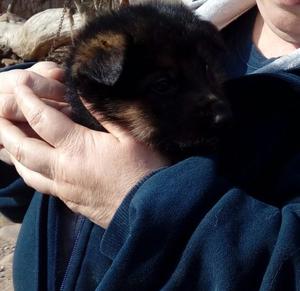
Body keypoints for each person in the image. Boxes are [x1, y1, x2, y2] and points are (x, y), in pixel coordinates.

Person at [0, 0, 300, 290]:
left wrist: (140, 200)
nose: (215, 102)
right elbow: (24, 199)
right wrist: (19, 128)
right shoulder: (192, 27)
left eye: (207, 72)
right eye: (164, 86)